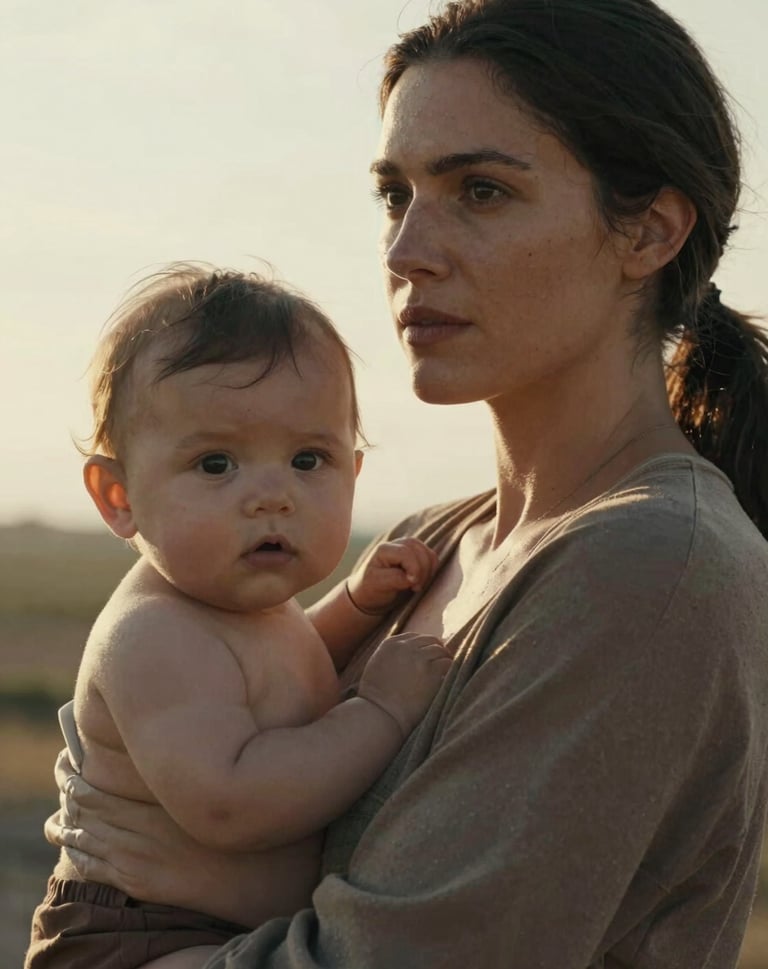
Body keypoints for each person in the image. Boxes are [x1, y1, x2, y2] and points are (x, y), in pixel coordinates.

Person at [45, 0, 768, 966]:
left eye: (480, 192)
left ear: (647, 233)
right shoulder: (433, 542)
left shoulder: (652, 567)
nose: (404, 252)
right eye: (396, 194)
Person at [24, 266, 452, 969]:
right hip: (139, 939)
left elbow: (269, 683)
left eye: (308, 459)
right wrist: (381, 708)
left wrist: (356, 605)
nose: (271, 495)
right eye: (216, 463)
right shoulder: (151, 635)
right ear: (118, 493)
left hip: (218, 932)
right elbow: (231, 800)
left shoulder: (244, 609)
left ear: (354, 470)